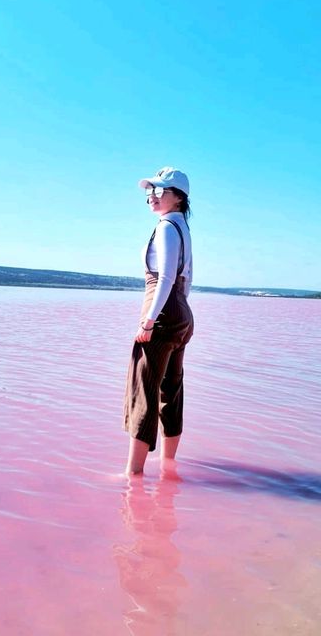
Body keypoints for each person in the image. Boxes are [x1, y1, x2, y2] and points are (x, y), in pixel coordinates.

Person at [123, 166, 194, 476]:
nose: (152, 196)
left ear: (178, 198)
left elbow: (165, 277)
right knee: (171, 389)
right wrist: (180, 310)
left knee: (144, 388)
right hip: (180, 313)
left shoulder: (166, 227)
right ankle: (168, 464)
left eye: (159, 190)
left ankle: (132, 474)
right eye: (150, 191)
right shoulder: (182, 227)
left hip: (162, 313)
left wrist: (149, 321)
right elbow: (185, 278)